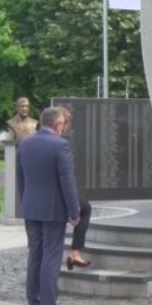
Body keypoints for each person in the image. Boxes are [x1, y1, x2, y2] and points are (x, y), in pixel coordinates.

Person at [18, 107, 80, 305]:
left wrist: (25, 203)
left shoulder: (25, 143)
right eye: (62, 125)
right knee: (51, 256)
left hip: (31, 208)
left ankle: (33, 304)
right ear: (57, 125)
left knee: (35, 254)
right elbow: (67, 180)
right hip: (53, 209)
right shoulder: (60, 145)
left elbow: (21, 179)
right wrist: (74, 211)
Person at [55, 106, 92, 269]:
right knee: (85, 209)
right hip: (59, 193)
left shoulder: (33, 141)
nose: (66, 126)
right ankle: (74, 253)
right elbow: (66, 175)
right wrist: (73, 207)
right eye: (65, 123)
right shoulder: (62, 143)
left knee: (85, 208)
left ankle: (75, 253)